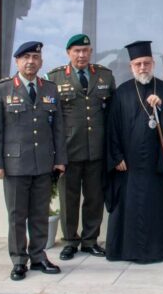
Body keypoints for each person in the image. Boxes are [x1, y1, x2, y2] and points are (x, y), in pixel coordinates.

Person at [0, 41, 67, 281]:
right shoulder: (3, 89)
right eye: (25, 58)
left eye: (35, 57)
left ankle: (39, 256)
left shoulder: (50, 89)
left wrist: (60, 159)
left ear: (41, 61)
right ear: (17, 62)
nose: (31, 61)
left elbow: (58, 128)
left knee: (40, 213)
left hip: (43, 163)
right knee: (17, 215)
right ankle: (19, 260)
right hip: (15, 165)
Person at [104, 41, 163, 263]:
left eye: (146, 63)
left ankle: (162, 249)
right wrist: (116, 155)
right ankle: (126, 251)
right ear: (131, 66)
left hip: (158, 163)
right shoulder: (122, 92)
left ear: (153, 64)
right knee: (130, 207)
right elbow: (112, 127)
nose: (142, 68)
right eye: (138, 64)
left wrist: (162, 106)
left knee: (157, 208)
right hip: (128, 165)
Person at [47, 34, 115, 261]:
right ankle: (70, 241)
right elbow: (51, 119)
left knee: (94, 197)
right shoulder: (55, 78)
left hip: (96, 149)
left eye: (85, 51)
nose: (82, 55)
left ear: (90, 52)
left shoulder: (104, 75)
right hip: (68, 150)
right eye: (77, 51)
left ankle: (90, 240)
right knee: (69, 199)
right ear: (69, 53)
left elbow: (111, 113)